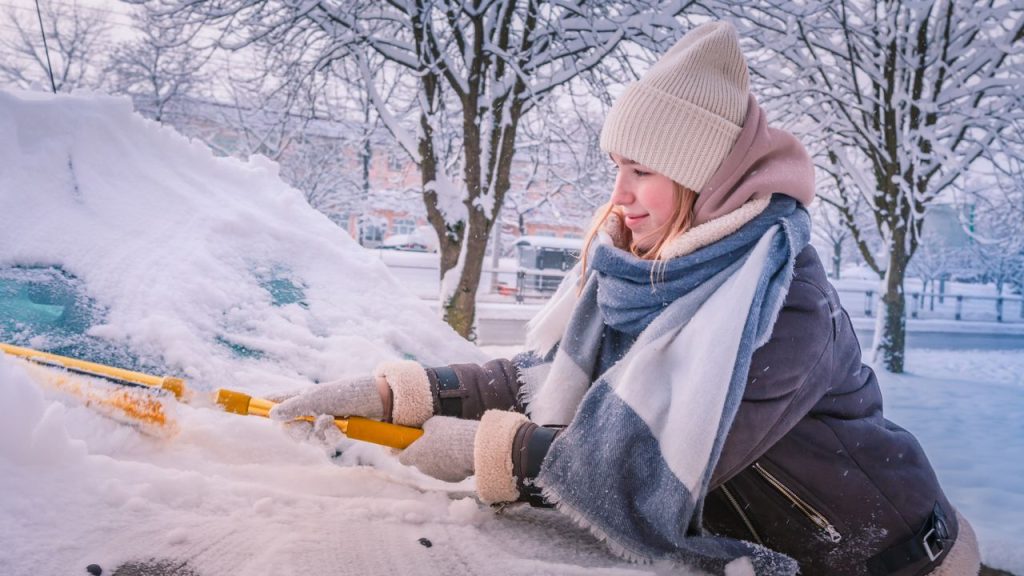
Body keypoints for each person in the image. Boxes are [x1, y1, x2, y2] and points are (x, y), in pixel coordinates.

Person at [270, 21, 980, 576]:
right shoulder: (645, 276)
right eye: (618, 167)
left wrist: (494, 453)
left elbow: (646, 469)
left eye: (642, 170)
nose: (619, 196)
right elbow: (545, 382)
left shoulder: (779, 302)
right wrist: (406, 395)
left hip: (886, 559)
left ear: (704, 181)